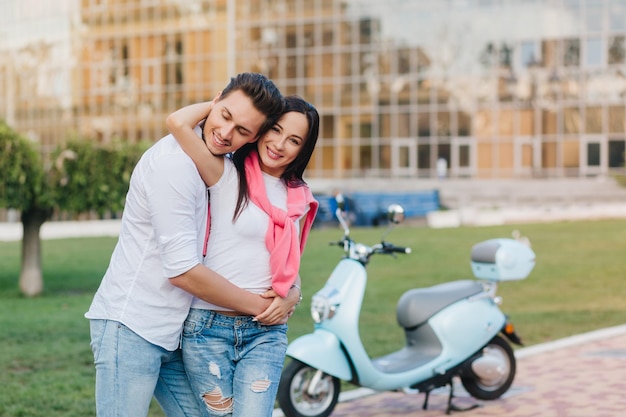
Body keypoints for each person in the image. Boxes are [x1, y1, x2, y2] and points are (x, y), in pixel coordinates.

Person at [85, 73, 302, 417]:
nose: (227, 133)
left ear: (254, 137)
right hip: (133, 326)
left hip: (179, 331)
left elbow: (263, 242)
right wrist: (262, 310)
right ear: (214, 103)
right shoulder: (175, 166)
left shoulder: (220, 166)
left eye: (243, 130)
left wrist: (290, 291)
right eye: (225, 115)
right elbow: (183, 271)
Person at [165, 94, 320, 417]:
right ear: (260, 129)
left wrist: (294, 292)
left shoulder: (298, 199)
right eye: (274, 129)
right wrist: (223, 103)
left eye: (293, 140)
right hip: (209, 328)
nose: (279, 144)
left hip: (266, 333)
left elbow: (287, 263)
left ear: (303, 149)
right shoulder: (224, 173)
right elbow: (178, 123)